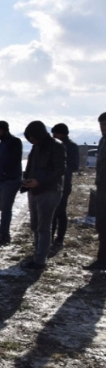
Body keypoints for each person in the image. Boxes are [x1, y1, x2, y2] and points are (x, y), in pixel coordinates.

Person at [20, 120, 66, 270]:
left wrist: (39, 181)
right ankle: (37, 256)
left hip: (49, 191)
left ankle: (40, 261)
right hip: (33, 191)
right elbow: (31, 166)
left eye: (32, 137)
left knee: (43, 227)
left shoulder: (56, 146)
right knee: (35, 225)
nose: (31, 140)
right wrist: (26, 180)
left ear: (38, 134)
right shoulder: (36, 147)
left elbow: (59, 170)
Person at [0, 120, 23, 245]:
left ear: (5, 130)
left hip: (11, 179)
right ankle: (3, 233)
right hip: (3, 180)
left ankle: (5, 235)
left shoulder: (14, 141)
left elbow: (15, 160)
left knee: (6, 208)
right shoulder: (2, 143)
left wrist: (4, 172)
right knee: (3, 207)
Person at [50, 123, 79, 250]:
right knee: (51, 213)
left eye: (56, 133)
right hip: (51, 183)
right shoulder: (53, 145)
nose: (54, 136)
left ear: (63, 133)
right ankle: (49, 238)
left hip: (64, 184)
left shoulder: (71, 146)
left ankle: (59, 239)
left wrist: (60, 169)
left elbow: (74, 166)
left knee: (60, 212)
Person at [86, 112, 106, 270]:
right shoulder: (102, 141)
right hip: (102, 187)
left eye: (105, 125)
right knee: (101, 224)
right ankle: (102, 258)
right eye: (101, 125)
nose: (103, 128)